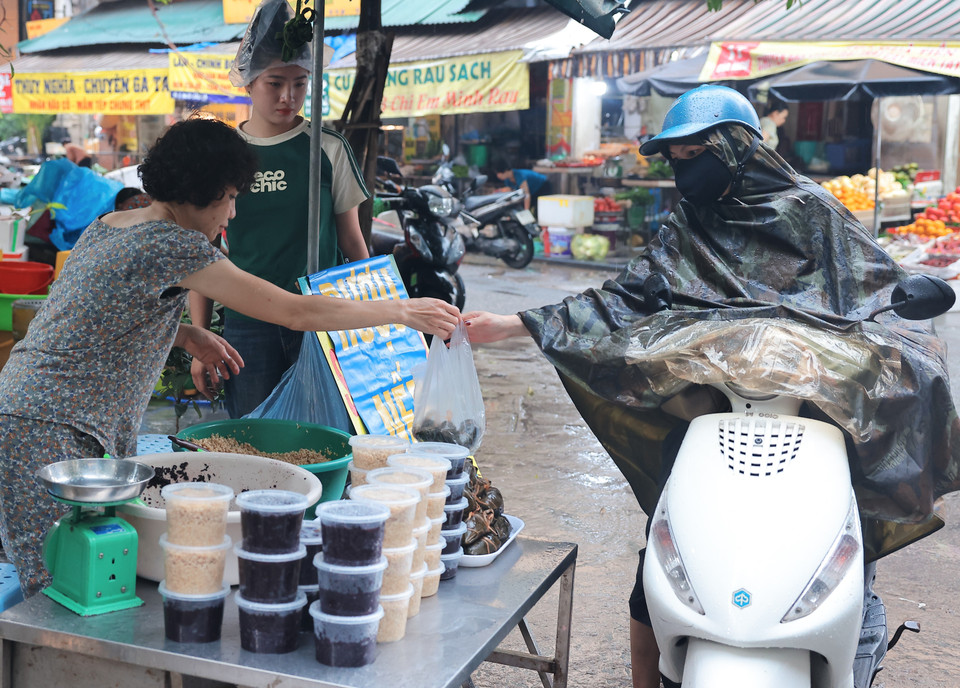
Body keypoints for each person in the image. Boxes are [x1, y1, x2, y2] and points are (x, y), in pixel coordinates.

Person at [462, 85, 959, 688]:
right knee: (660, 562)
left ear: (731, 150)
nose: (682, 172)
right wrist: (511, 326)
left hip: (810, 427)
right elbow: (622, 299)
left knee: (854, 542)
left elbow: (882, 289)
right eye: (674, 160)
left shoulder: (810, 212)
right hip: (713, 425)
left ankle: (854, 619)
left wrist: (902, 330)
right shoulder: (685, 228)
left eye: (693, 154)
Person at [0, 117, 460, 598]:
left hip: (34, 409)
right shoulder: (173, 245)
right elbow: (294, 311)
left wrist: (184, 335)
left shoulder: (111, 225)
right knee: (60, 580)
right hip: (50, 425)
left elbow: (93, 312)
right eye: (231, 196)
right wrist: (399, 309)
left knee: (75, 571)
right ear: (200, 191)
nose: (234, 213)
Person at [189, 0, 368, 423]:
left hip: (321, 315)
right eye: (274, 83)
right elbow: (201, 253)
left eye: (300, 84)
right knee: (253, 439)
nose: (288, 97)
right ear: (249, 83)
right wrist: (201, 337)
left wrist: (374, 319)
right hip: (247, 322)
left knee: (322, 433)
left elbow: (354, 242)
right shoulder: (224, 154)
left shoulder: (328, 148)